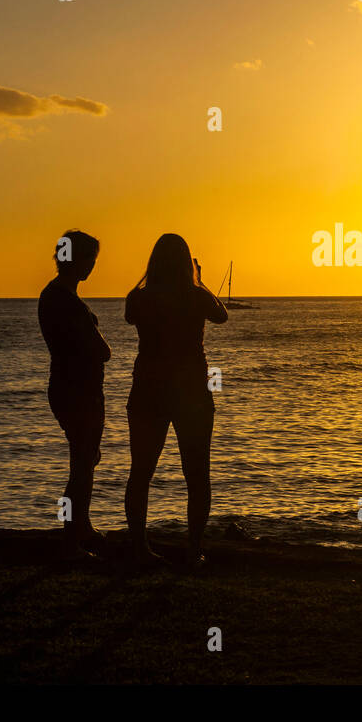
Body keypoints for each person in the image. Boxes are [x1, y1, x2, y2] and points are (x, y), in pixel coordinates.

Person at [123, 233, 227, 567]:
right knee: (197, 475)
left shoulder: (138, 299)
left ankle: (139, 547)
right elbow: (222, 315)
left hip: (148, 390)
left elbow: (130, 317)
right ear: (187, 264)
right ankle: (193, 549)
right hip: (192, 392)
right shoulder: (195, 296)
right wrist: (201, 280)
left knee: (141, 472)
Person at [38, 230, 110, 559]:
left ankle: (81, 524)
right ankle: (70, 537)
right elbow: (97, 349)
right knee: (80, 466)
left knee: (85, 461)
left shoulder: (58, 295)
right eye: (89, 259)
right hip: (75, 391)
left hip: (76, 389)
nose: (92, 266)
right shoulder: (62, 299)